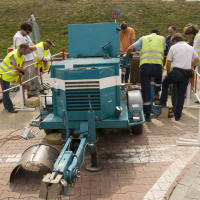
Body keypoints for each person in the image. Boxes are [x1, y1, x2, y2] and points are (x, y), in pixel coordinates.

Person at [124, 29, 165, 122]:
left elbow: (130, 47)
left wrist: (126, 56)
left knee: (145, 90)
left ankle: (147, 115)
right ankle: (156, 92)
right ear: (158, 34)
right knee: (158, 78)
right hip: (157, 66)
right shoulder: (162, 39)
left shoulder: (144, 38)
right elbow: (164, 51)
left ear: (149, 33)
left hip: (145, 66)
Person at [155, 33, 199, 121]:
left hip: (177, 71)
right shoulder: (190, 48)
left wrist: (168, 73)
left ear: (174, 41)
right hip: (186, 74)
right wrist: (192, 66)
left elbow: (169, 61)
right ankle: (177, 115)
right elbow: (197, 59)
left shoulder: (173, 47)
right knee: (181, 95)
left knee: (165, 82)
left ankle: (163, 101)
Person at [0, 43, 31, 113]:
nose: (27, 53)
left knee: (6, 92)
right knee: (6, 92)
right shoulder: (13, 55)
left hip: (9, 76)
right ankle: (10, 107)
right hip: (4, 75)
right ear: (23, 49)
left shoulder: (22, 55)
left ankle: (7, 105)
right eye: (26, 51)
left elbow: (24, 62)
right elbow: (15, 67)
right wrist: (22, 69)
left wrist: (25, 66)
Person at [13, 22, 38, 102]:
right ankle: (23, 99)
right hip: (24, 61)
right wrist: (31, 48)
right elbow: (23, 50)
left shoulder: (26, 36)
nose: (28, 34)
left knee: (29, 79)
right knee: (24, 81)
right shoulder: (18, 37)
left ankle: (29, 95)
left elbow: (34, 46)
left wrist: (30, 48)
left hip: (30, 59)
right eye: (27, 32)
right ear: (23, 29)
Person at [184, 24, 200, 102]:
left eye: (189, 35)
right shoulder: (198, 35)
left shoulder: (197, 38)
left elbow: (194, 51)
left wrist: (191, 63)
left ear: (191, 33)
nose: (189, 37)